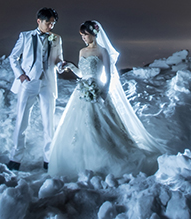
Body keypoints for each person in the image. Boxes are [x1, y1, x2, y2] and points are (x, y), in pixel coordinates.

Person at [48, 20, 165, 178]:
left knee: (101, 126)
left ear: (94, 34)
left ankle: (103, 157)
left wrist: (102, 93)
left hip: (98, 91)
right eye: (81, 35)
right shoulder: (82, 52)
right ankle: (84, 158)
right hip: (82, 91)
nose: (83, 38)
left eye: (86, 35)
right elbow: (82, 73)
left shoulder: (103, 52)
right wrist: (70, 65)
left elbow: (109, 76)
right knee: (82, 126)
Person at [8, 7, 64, 171]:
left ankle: (48, 159)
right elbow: (13, 57)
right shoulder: (25, 36)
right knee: (22, 122)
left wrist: (61, 65)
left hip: (48, 83)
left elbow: (58, 58)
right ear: (39, 21)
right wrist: (20, 75)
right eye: (48, 22)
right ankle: (15, 159)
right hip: (29, 83)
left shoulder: (56, 38)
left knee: (49, 123)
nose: (51, 26)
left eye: (53, 23)